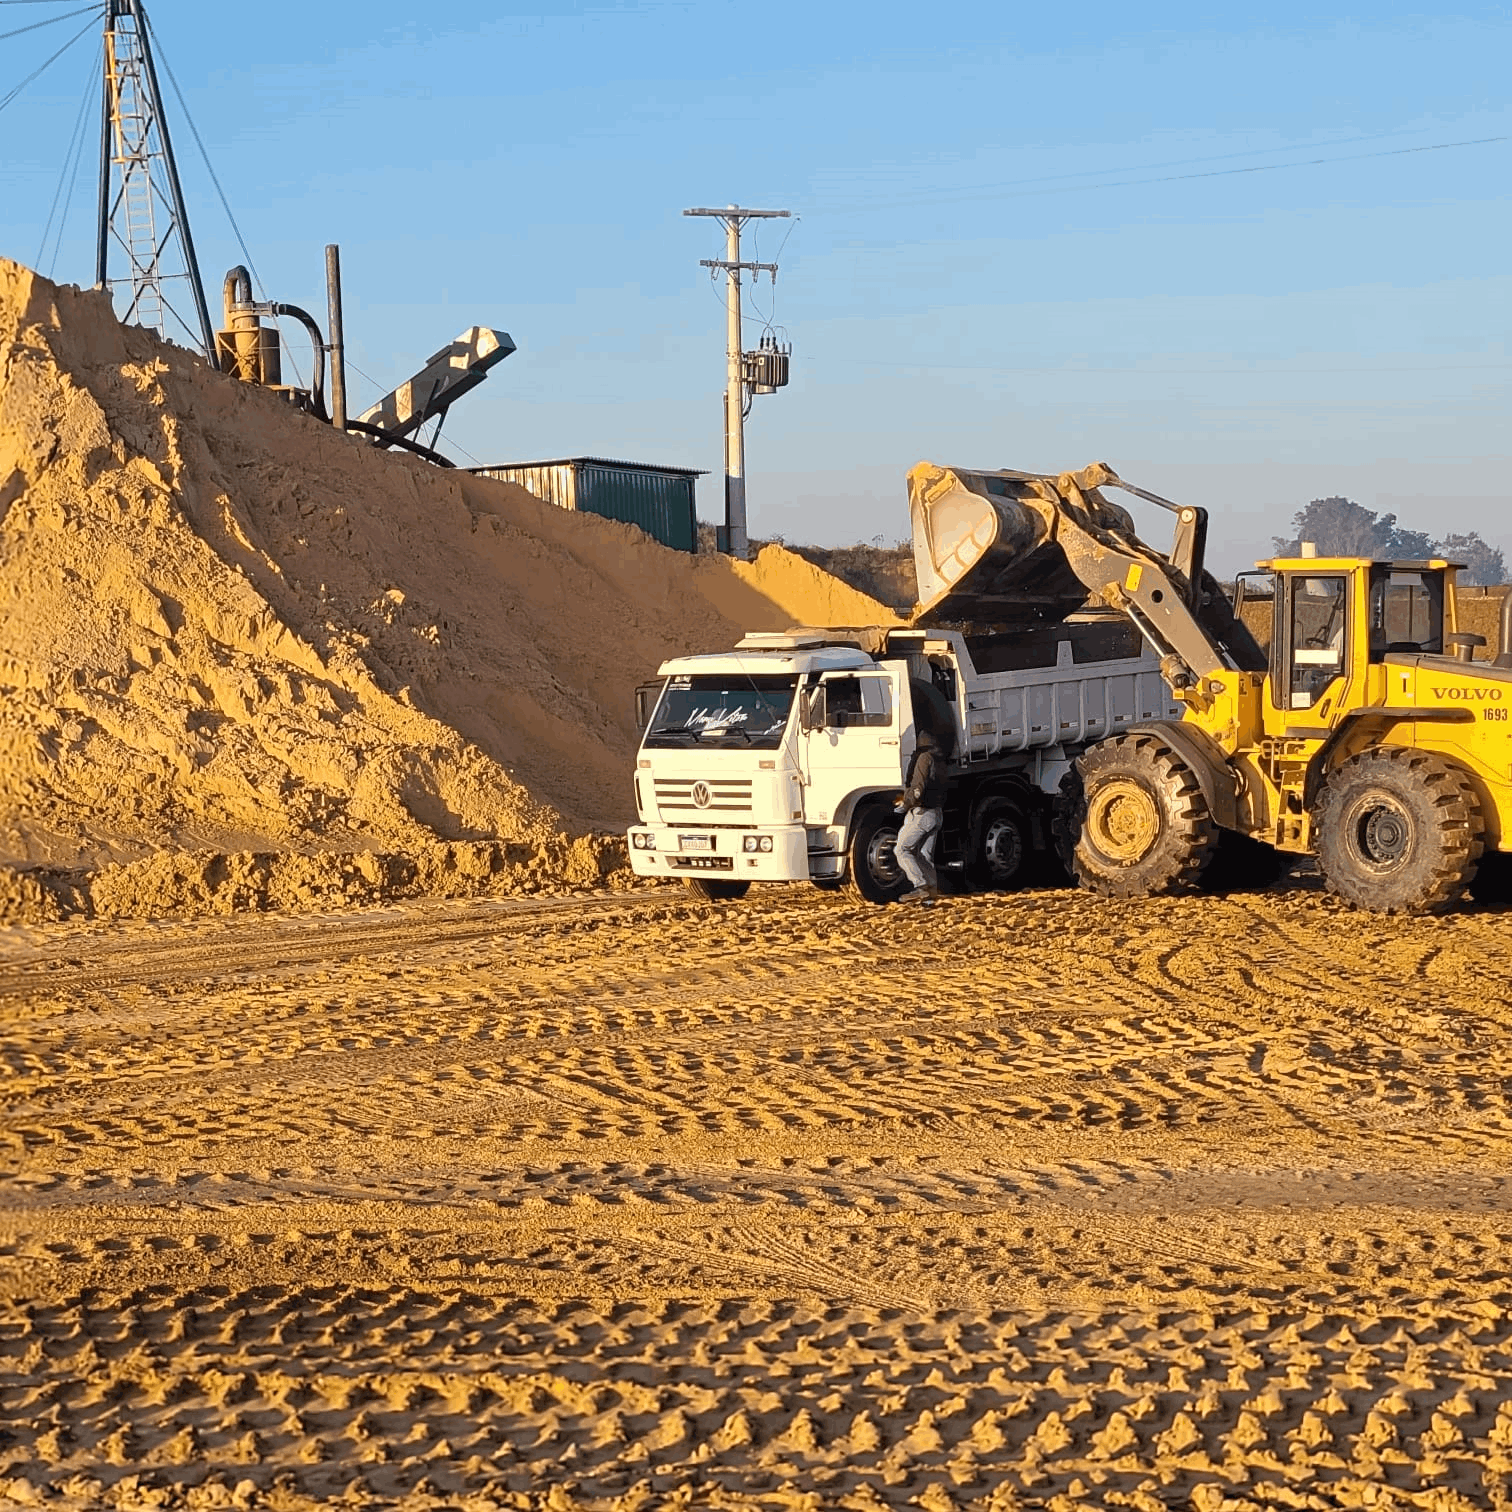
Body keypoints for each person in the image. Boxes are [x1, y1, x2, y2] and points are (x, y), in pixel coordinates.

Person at [895, 727, 946, 904]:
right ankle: (930, 895)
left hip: (923, 813)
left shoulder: (924, 758)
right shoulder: (940, 760)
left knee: (902, 850)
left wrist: (906, 803)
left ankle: (921, 886)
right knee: (924, 855)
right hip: (937, 814)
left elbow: (918, 786)